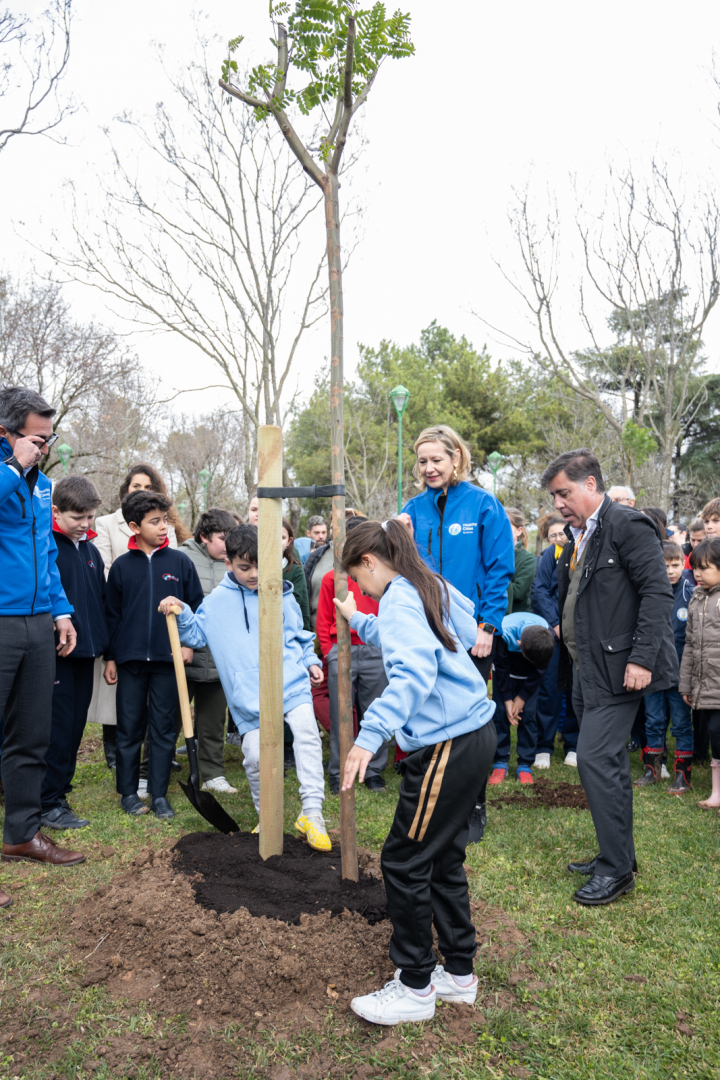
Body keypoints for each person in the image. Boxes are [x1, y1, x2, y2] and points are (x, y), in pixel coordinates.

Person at [334, 519, 496, 1025]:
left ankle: (415, 985)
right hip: (473, 734)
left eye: (359, 580)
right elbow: (457, 629)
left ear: (368, 562)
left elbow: (414, 671)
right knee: (443, 858)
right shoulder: (424, 585)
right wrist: (360, 619)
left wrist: (369, 734)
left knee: (404, 860)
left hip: (446, 743)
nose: (361, 589)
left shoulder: (401, 597)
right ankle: (460, 975)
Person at [543, 448, 677, 906]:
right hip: (587, 668)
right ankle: (616, 855)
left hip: (622, 669)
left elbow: (657, 592)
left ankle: (616, 872)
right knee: (611, 765)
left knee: (595, 760)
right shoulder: (579, 533)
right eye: (554, 495)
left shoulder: (626, 524)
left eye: (564, 493)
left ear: (591, 485)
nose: (559, 503)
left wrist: (640, 659)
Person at [160, 524, 331, 850]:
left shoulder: (281, 594)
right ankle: (267, 816)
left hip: (290, 680)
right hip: (248, 696)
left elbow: (299, 633)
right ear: (229, 563)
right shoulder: (216, 603)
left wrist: (309, 661)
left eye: (260, 566)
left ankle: (313, 814)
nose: (254, 574)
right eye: (244, 567)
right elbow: (195, 635)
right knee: (253, 758)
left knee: (307, 735)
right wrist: (179, 612)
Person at [398, 425, 514, 843]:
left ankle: (473, 801)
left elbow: (501, 570)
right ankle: (432, 791)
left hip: (472, 632)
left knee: (468, 719)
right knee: (427, 707)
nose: (429, 468)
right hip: (428, 627)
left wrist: (487, 626)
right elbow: (406, 568)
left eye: (437, 460)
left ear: (456, 459)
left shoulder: (484, 505)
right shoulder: (413, 507)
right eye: (423, 461)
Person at [0, 385, 85, 909]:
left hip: (36, 624)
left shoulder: (43, 487)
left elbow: (45, 554)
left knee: (31, 732)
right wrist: (12, 469)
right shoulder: (10, 476)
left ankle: (22, 833)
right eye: (35, 438)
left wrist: (61, 610)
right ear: (6, 434)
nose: (44, 448)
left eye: (49, 439)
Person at [104, 491, 203, 820]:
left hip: (167, 661)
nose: (164, 527)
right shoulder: (121, 567)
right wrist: (111, 657)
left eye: (165, 519)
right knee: (130, 728)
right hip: (130, 662)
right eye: (155, 521)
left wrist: (188, 644)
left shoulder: (179, 563)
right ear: (134, 526)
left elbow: (195, 606)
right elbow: (112, 616)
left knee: (162, 729)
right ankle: (129, 793)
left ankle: (159, 794)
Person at [92, 462, 187, 771]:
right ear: (126, 489)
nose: (142, 491)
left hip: (159, 624)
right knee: (120, 696)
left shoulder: (165, 527)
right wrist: (133, 585)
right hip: (124, 613)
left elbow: (168, 568)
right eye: (137, 487)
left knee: (157, 702)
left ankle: (155, 762)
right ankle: (118, 756)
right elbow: (106, 567)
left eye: (148, 487)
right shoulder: (108, 523)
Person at [41, 477, 109, 831]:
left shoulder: (91, 551)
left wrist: (105, 648)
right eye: (77, 517)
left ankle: (60, 790)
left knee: (76, 726)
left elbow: (100, 601)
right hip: (56, 654)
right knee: (57, 727)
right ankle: (47, 802)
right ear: (56, 512)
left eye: (90, 517)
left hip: (87, 653)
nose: (84, 524)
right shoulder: (47, 546)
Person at [316, 517, 389, 795]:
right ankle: (338, 770)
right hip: (341, 649)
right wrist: (329, 651)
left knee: (375, 710)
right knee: (341, 713)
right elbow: (323, 619)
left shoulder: (380, 576)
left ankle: (373, 771)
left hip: (374, 648)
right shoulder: (332, 578)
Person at [177, 508, 238, 793]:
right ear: (204, 536)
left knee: (214, 723)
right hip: (184, 657)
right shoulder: (181, 559)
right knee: (168, 719)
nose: (229, 545)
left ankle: (213, 774)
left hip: (219, 658)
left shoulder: (236, 563)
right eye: (223, 538)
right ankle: (149, 771)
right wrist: (183, 644)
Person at [635, 541, 695, 794]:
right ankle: (653, 769)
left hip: (680, 671)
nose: (670, 570)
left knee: (681, 723)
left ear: (683, 565)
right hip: (652, 669)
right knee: (653, 720)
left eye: (675, 565)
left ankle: (683, 775)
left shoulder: (690, 593)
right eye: (664, 566)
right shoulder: (644, 592)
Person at [531, 515, 580, 769]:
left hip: (579, 633)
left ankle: (573, 744)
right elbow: (540, 591)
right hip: (552, 633)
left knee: (575, 689)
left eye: (562, 533)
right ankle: (543, 747)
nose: (559, 538)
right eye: (553, 535)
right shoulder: (549, 556)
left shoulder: (580, 552)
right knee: (549, 689)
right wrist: (555, 623)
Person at [487, 614, 555, 786]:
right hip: (505, 672)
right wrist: (508, 699)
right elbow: (500, 668)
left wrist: (522, 698)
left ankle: (525, 764)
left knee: (529, 715)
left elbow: (539, 670)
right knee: (500, 713)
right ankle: (500, 762)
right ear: (519, 645)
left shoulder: (548, 638)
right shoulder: (503, 634)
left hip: (530, 677)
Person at [679, 538, 720, 811]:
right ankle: (717, 793)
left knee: (718, 730)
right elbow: (690, 645)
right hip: (706, 684)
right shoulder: (696, 599)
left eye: (705, 568)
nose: (698, 573)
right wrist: (686, 684)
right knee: (714, 734)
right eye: (695, 568)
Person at [505, 508, 537, 614]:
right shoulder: (487, 555)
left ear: (519, 531)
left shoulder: (528, 559)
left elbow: (518, 592)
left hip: (516, 617)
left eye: (506, 526)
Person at [282, 518, 311, 630]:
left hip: (288, 630)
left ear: (289, 541)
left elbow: (298, 605)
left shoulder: (294, 571)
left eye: (282, 538)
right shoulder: (254, 569)